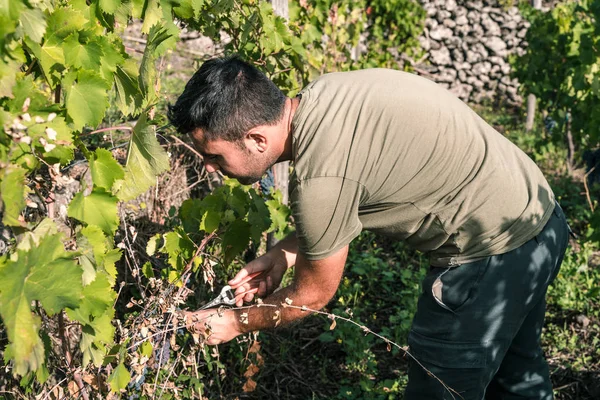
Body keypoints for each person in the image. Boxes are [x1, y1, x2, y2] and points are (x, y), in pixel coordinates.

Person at [168, 56, 570, 400]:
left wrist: (234, 322)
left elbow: (313, 295)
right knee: (518, 376)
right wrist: (285, 253)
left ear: (256, 139)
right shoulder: (324, 95)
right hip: (538, 216)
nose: (206, 167)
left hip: (490, 256)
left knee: (439, 388)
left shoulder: (319, 179)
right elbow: (355, 186)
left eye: (213, 155)